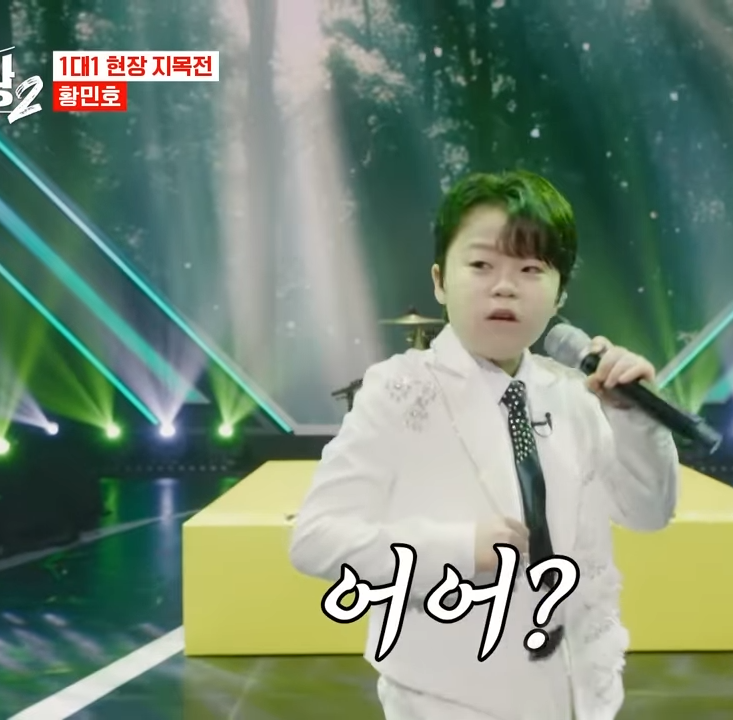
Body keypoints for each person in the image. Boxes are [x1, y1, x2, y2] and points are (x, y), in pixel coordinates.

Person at [289, 170, 680, 720]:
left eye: (530, 269)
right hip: (447, 702)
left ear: (560, 293)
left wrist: (637, 419)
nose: (504, 287)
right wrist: (459, 549)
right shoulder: (397, 392)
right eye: (480, 265)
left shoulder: (575, 395)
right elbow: (315, 540)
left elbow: (648, 514)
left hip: (581, 697)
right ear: (439, 280)